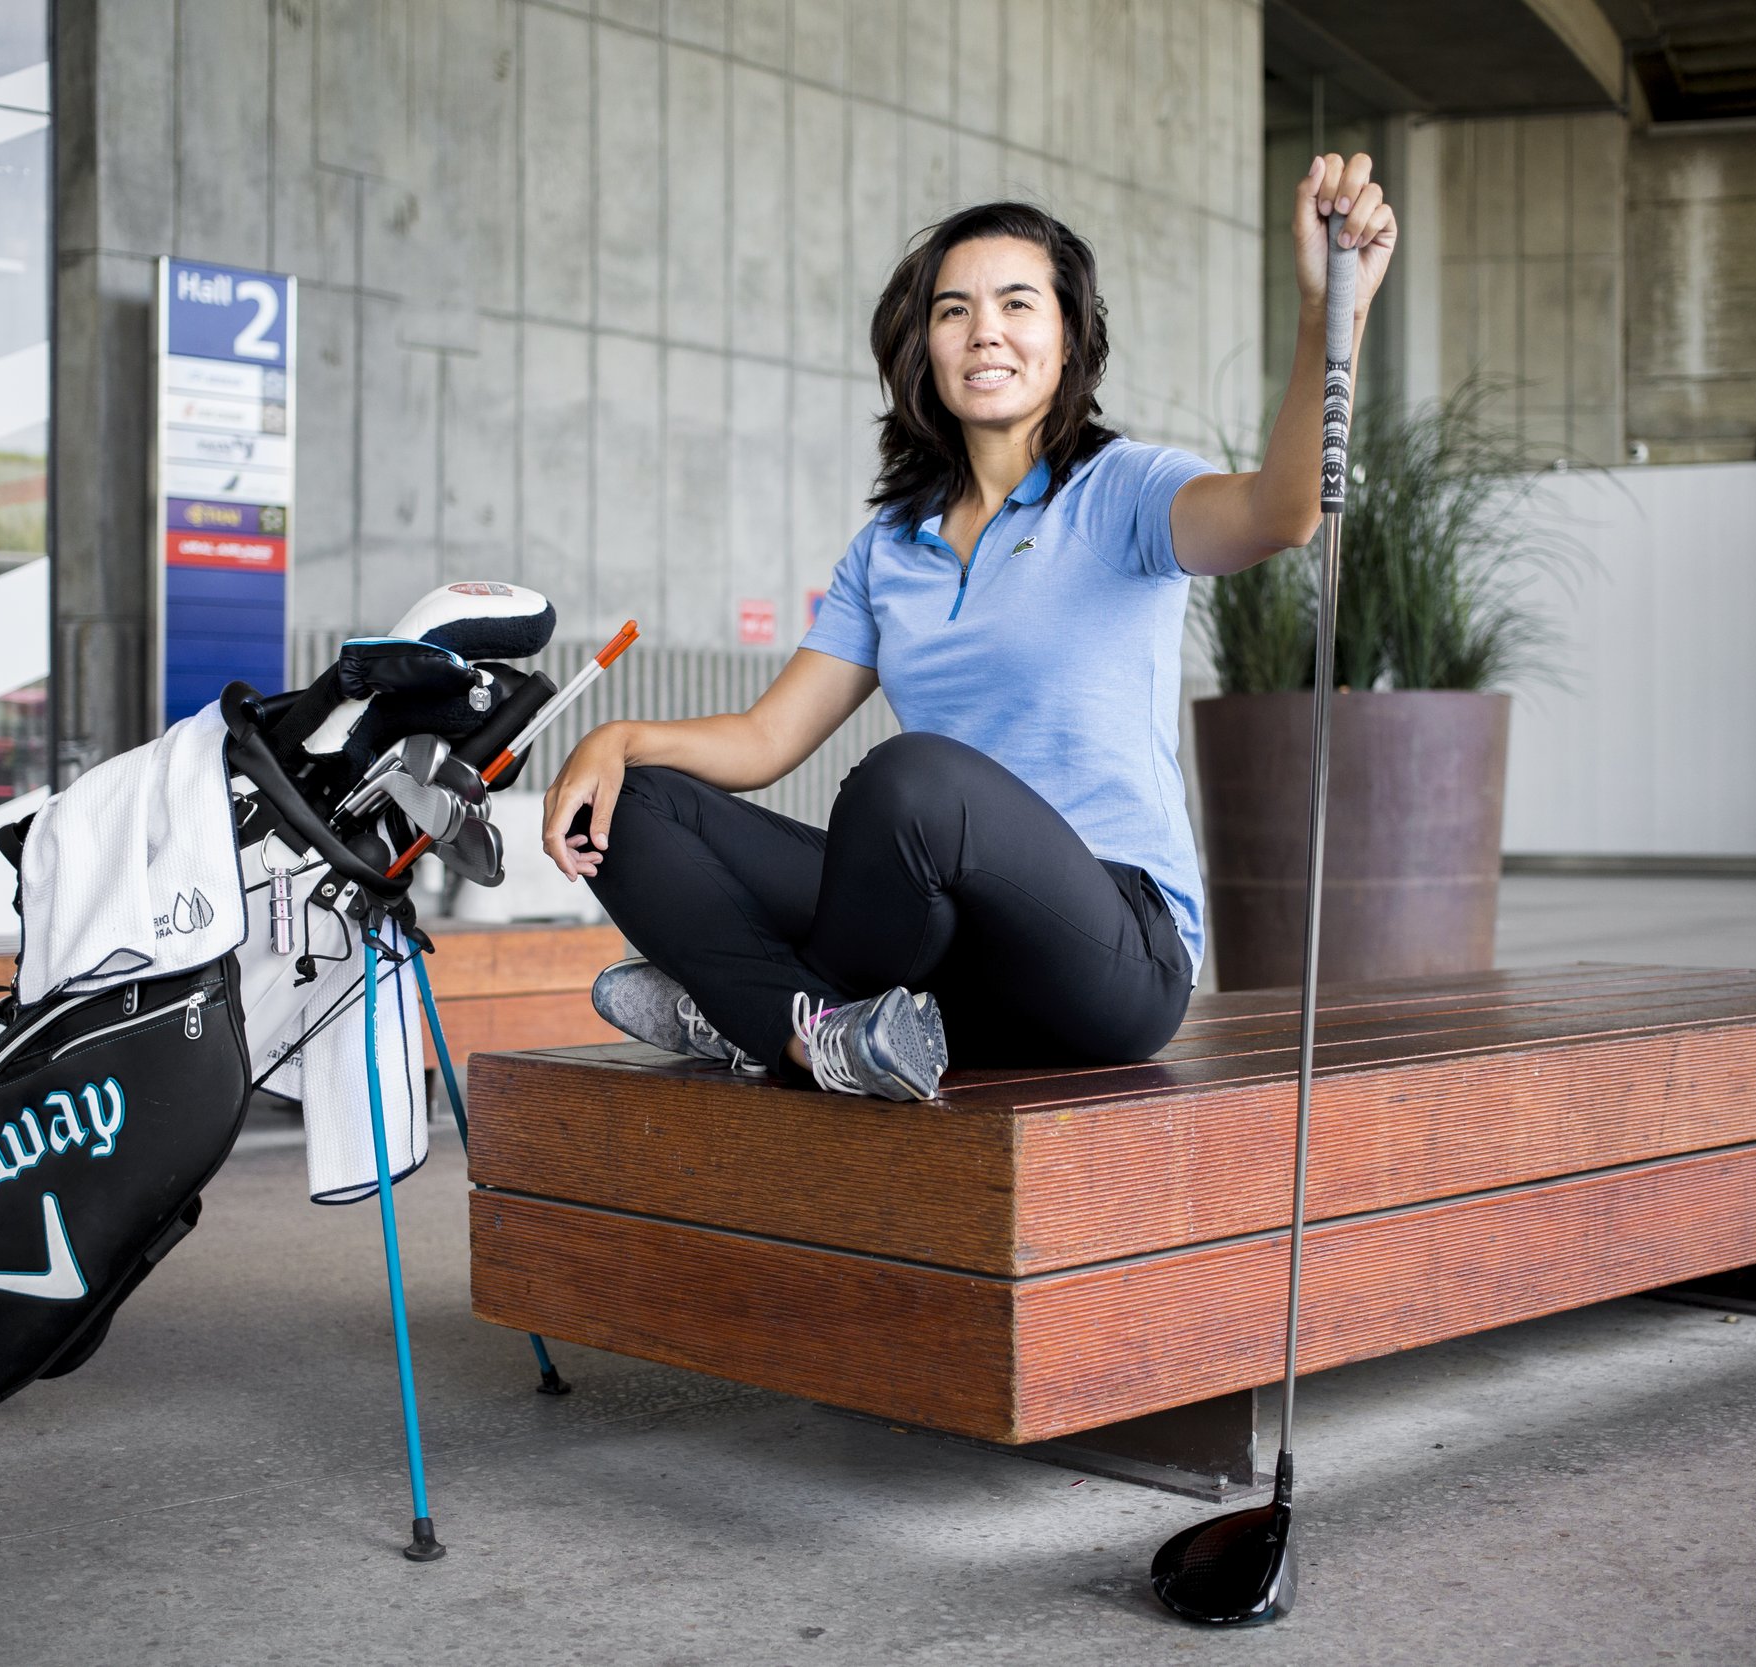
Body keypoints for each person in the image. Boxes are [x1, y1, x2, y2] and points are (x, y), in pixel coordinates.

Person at [540, 153, 1397, 1101]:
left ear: (1069, 339)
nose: (984, 330)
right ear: (925, 348)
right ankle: (814, 1033)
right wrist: (617, 739)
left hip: (1114, 949)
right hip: (948, 956)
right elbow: (763, 738)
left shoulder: (1122, 491)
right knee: (637, 805)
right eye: (954, 310)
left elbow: (1282, 512)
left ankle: (753, 1007)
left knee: (908, 782)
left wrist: (1328, 316)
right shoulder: (889, 549)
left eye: (1018, 303)